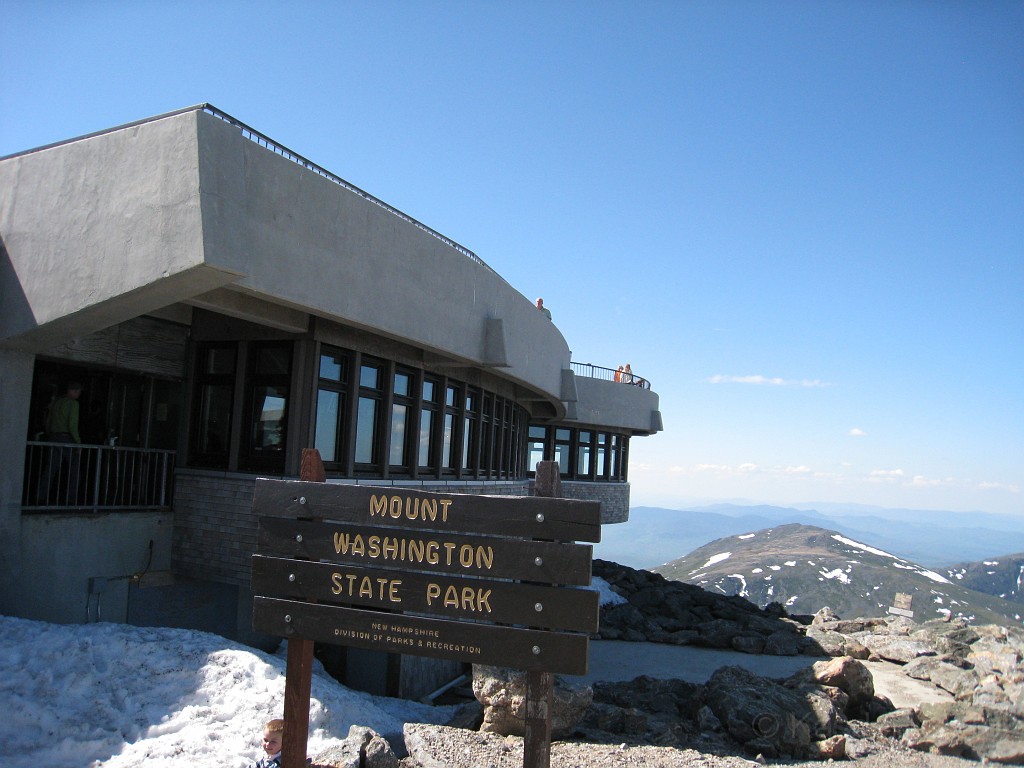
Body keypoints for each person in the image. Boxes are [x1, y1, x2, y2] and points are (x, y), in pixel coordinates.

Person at [38, 381, 83, 504]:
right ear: (74, 391)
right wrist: (78, 443)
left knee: (51, 468)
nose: (79, 394)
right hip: (66, 438)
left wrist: (50, 434)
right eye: (78, 391)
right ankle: (70, 499)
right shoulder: (73, 404)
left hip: (53, 437)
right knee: (75, 470)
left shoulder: (56, 403)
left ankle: (40, 497)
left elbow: (48, 422)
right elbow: (72, 425)